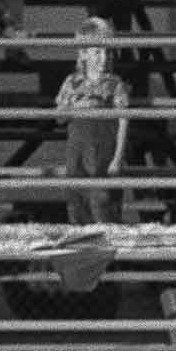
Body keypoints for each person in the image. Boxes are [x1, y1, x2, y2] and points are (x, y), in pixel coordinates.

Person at [54, 16, 130, 224]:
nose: (103, 58)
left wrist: (118, 158)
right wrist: (74, 106)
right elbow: (59, 117)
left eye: (107, 51)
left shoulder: (114, 84)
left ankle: (107, 246)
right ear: (84, 54)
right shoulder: (72, 82)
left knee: (103, 200)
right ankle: (81, 245)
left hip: (104, 150)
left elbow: (124, 120)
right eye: (97, 52)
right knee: (76, 198)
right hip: (77, 149)